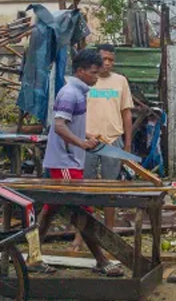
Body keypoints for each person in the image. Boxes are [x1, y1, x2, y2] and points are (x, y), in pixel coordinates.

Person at [35, 48, 125, 277]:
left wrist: (86, 136)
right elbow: (59, 126)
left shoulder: (78, 92)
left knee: (50, 210)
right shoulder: (70, 94)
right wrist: (81, 143)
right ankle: (102, 261)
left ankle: (33, 257)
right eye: (93, 73)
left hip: (68, 159)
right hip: (65, 162)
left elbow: (70, 125)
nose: (97, 77)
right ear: (80, 71)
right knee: (83, 210)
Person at [70, 44, 134, 252]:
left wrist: (127, 145)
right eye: (104, 59)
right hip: (86, 141)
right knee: (84, 190)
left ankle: (109, 234)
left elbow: (126, 114)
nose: (107, 63)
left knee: (110, 190)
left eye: (111, 60)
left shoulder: (120, 81)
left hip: (112, 140)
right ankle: (79, 235)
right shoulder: (86, 80)